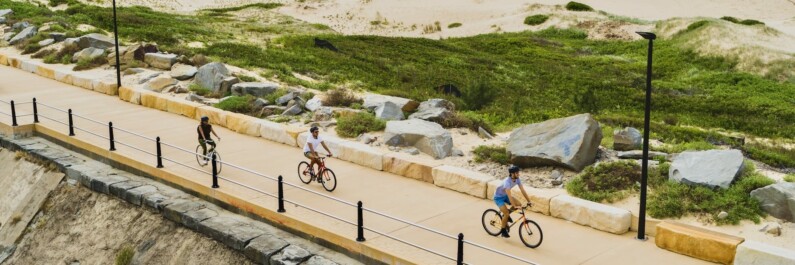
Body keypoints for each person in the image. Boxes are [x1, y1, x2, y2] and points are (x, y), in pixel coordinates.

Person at [493, 165, 531, 238]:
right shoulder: (507, 182)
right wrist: (514, 205)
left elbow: (522, 190)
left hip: (505, 195)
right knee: (507, 213)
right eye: (517, 173)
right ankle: (503, 230)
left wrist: (529, 201)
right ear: (512, 174)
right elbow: (509, 195)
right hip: (498, 197)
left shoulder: (517, 179)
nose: (518, 174)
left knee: (518, 204)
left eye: (518, 172)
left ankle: (505, 216)